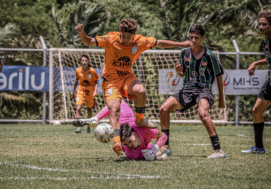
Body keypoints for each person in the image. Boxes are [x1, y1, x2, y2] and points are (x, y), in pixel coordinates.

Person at [75, 19, 192, 155]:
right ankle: (117, 143)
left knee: (140, 90)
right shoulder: (110, 39)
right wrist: (82, 32)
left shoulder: (140, 41)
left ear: (134, 34)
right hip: (110, 81)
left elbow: (159, 43)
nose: (125, 39)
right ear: (120, 32)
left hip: (126, 77)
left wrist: (182, 44)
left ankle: (140, 119)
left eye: (128, 37)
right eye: (123, 36)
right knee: (114, 110)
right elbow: (88, 41)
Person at [159, 25, 226, 159]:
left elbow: (219, 77)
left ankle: (218, 151)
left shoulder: (209, 55)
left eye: (196, 38)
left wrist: (221, 99)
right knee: (163, 109)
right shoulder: (184, 53)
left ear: (202, 38)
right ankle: (165, 146)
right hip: (187, 90)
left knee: (203, 114)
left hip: (203, 90)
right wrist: (179, 71)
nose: (193, 40)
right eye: (191, 37)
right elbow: (182, 75)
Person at [80, 99, 169, 160]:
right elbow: (148, 152)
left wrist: (156, 148)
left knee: (116, 101)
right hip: (119, 123)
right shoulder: (131, 153)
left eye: (129, 141)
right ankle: (96, 118)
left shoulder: (145, 130)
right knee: (114, 102)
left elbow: (163, 136)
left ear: (134, 134)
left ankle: (96, 118)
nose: (129, 145)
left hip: (126, 114)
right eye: (126, 144)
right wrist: (157, 154)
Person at [241, 10, 271, 154]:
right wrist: (256, 62)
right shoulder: (267, 40)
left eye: (264, 24)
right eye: (259, 24)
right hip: (270, 81)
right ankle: (259, 147)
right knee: (257, 110)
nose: (261, 27)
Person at [72, 54, 100, 133]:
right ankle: (78, 127)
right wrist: (73, 92)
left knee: (89, 110)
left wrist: (95, 91)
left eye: (86, 60)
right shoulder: (78, 70)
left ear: (88, 61)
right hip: (80, 92)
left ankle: (88, 127)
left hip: (90, 93)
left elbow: (96, 82)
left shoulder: (92, 71)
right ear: (80, 61)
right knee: (78, 108)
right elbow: (76, 81)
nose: (84, 62)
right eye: (83, 60)